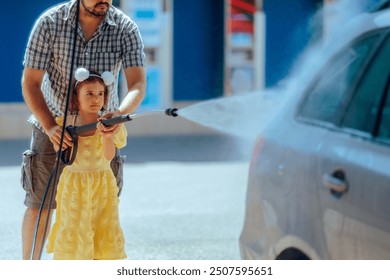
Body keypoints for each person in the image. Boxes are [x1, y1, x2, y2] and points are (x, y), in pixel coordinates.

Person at [21, 0, 146, 259]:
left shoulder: (126, 28)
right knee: (39, 207)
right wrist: (50, 126)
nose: (104, 1)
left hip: (102, 131)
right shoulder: (50, 23)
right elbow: (30, 82)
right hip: (52, 126)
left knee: (101, 210)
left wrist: (119, 114)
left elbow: (137, 83)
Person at [46, 67, 127, 260]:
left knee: (102, 224)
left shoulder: (111, 124)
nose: (96, 99)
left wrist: (107, 135)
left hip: (102, 184)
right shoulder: (64, 123)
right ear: (76, 97)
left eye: (100, 94)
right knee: (74, 224)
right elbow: (63, 154)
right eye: (89, 93)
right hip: (74, 185)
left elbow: (109, 157)